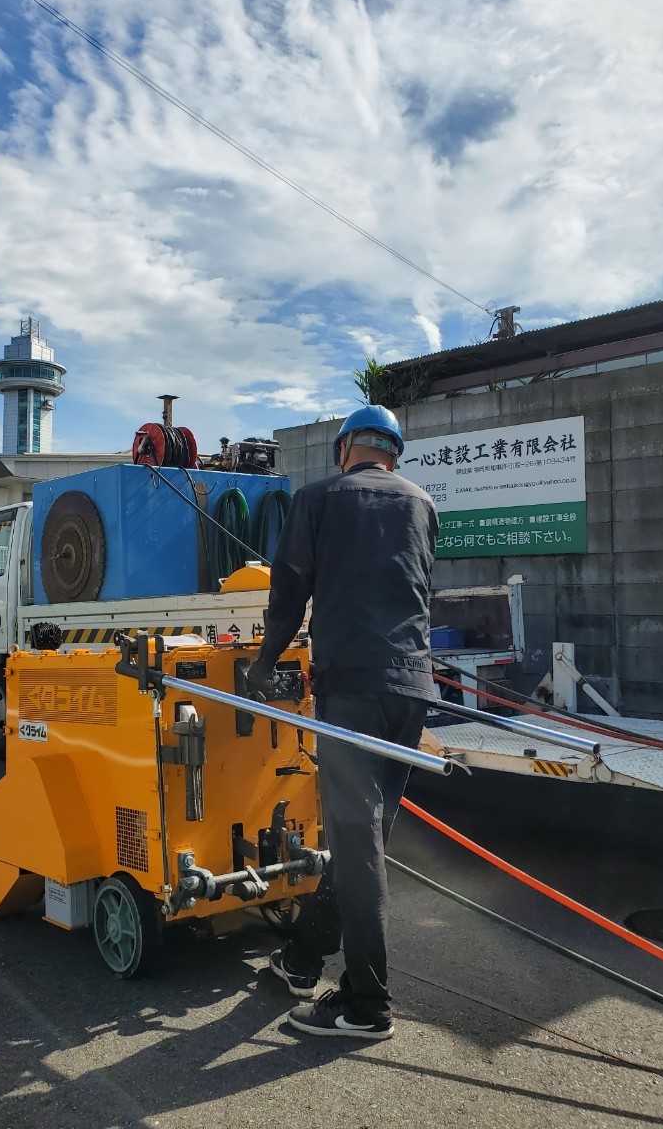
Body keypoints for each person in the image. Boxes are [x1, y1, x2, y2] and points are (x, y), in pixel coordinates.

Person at [246, 405, 437, 1041]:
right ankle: (304, 959)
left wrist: (264, 662)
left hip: (351, 689)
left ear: (346, 447)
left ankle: (366, 1006)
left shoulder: (319, 499)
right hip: (412, 686)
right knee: (365, 838)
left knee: (359, 844)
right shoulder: (421, 503)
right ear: (394, 452)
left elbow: (288, 592)